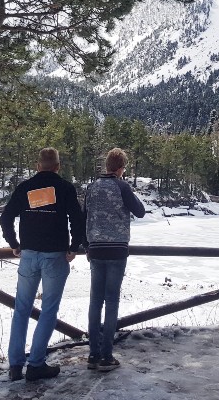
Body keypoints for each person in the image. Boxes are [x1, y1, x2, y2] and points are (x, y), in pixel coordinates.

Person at [0, 147, 84, 382]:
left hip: (28, 255)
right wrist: (74, 246)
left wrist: (14, 243)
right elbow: (77, 219)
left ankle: (16, 365)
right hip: (55, 256)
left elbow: (6, 217)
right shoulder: (65, 188)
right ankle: (36, 364)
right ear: (58, 166)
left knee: (21, 309)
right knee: (49, 310)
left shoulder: (26, 188)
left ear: (38, 166)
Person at [84, 147, 145, 372]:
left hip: (96, 249)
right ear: (120, 168)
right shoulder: (122, 186)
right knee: (111, 301)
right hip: (117, 250)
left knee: (95, 301)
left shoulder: (92, 187)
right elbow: (140, 211)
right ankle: (107, 356)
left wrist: (86, 245)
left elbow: (84, 217)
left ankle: (93, 354)